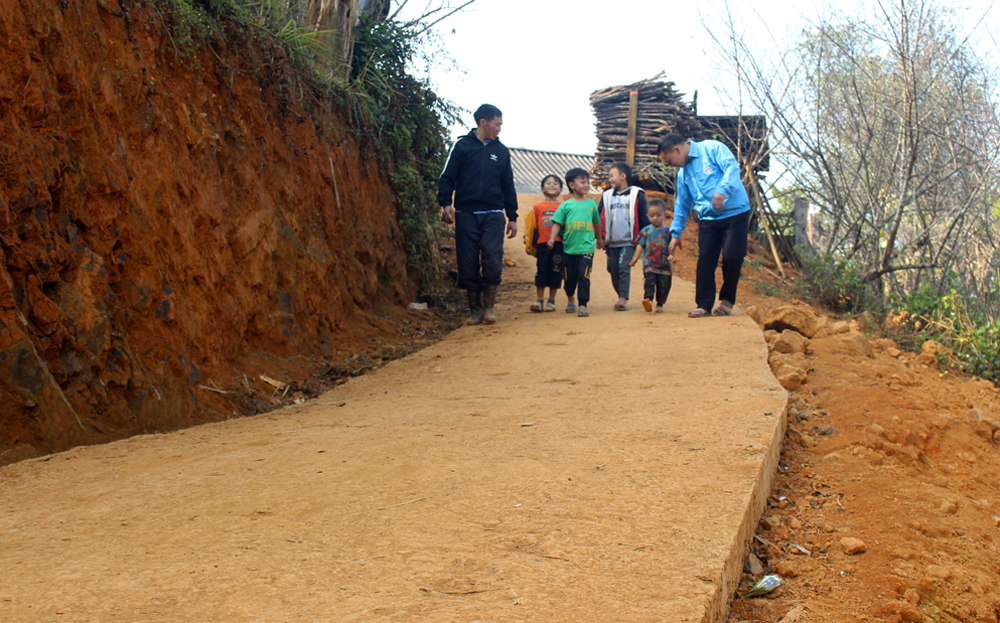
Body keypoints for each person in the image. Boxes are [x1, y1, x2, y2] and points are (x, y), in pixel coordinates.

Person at [438, 104, 518, 325]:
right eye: (497, 124)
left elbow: (508, 185)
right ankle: (474, 311)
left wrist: (512, 216)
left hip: (493, 213)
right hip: (466, 213)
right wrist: (446, 203)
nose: (499, 129)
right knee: (467, 261)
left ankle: (489, 308)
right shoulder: (462, 146)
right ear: (483, 122)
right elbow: (448, 177)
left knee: (492, 259)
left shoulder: (501, 151)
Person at [657, 133, 751, 318]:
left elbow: (731, 168)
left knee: (732, 256)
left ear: (677, 150)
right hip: (708, 219)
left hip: (735, 213)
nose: (670, 166)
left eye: (669, 161)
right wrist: (676, 233)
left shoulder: (712, 149)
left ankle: (727, 301)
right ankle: (704, 304)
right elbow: (682, 203)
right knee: (706, 260)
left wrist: (722, 191)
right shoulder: (683, 173)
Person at [548, 168, 604, 317]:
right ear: (572, 185)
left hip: (586, 247)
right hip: (569, 248)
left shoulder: (591, 204)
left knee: (584, 275)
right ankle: (570, 298)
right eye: (582, 182)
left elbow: (597, 223)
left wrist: (599, 239)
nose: (586, 185)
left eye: (588, 182)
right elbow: (557, 224)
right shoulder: (566, 205)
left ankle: (583, 304)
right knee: (569, 277)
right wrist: (552, 239)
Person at [598, 162, 648, 311]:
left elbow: (643, 218)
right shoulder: (606, 196)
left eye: (612, 175)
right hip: (612, 241)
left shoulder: (636, 195)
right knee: (612, 268)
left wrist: (643, 239)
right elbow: (599, 217)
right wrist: (599, 237)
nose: (610, 179)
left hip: (628, 241)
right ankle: (621, 295)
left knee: (623, 268)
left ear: (623, 176)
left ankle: (623, 299)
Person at [629, 199, 674, 313]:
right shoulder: (646, 231)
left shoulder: (668, 232)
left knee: (664, 286)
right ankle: (648, 299)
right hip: (649, 264)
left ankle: (660, 304)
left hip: (664, 266)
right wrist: (635, 258)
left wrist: (672, 256)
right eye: (652, 215)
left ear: (664, 214)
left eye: (658, 215)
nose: (655, 218)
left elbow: (672, 246)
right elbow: (640, 245)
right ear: (647, 216)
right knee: (649, 281)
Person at [528, 175, 564, 312]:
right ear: (542, 188)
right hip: (542, 243)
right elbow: (531, 226)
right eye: (548, 183)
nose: (552, 185)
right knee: (542, 270)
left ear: (561, 188)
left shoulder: (563, 206)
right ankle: (539, 300)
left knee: (556, 270)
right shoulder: (537, 207)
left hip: (559, 244)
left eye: (555, 183)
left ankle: (552, 301)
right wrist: (530, 244)